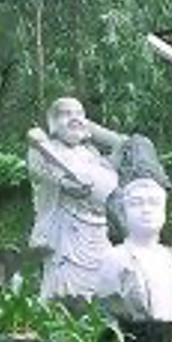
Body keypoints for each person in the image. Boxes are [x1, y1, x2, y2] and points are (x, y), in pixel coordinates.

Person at [26, 97, 125, 301]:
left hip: (98, 230)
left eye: (79, 114)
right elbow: (56, 178)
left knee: (104, 289)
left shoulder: (91, 153)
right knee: (65, 293)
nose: (75, 119)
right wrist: (66, 182)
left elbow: (123, 144)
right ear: (53, 121)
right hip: (66, 234)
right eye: (66, 114)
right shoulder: (43, 149)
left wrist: (91, 128)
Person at [96, 177, 172, 322]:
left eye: (154, 203)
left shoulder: (166, 258)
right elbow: (108, 313)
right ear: (124, 213)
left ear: (163, 212)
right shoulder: (113, 259)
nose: (146, 210)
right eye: (136, 204)